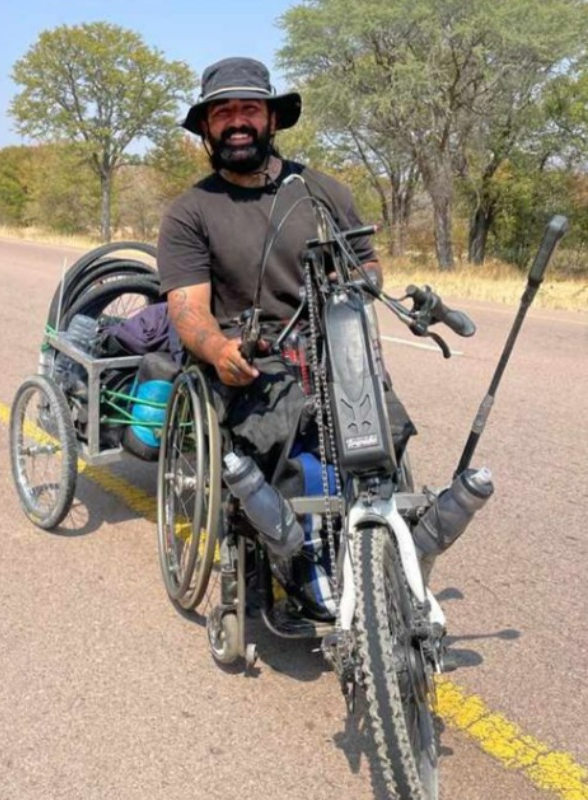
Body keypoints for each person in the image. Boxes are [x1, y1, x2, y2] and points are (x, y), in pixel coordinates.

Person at [156, 57, 415, 567]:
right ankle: (301, 557)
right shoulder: (190, 212)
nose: (236, 122)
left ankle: (387, 554)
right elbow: (188, 310)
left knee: (388, 427)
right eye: (222, 112)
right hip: (251, 358)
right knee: (287, 429)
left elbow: (368, 265)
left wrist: (359, 281)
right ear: (207, 127)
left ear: (272, 119)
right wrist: (218, 349)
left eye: (249, 108)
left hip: (333, 350)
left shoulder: (323, 193)